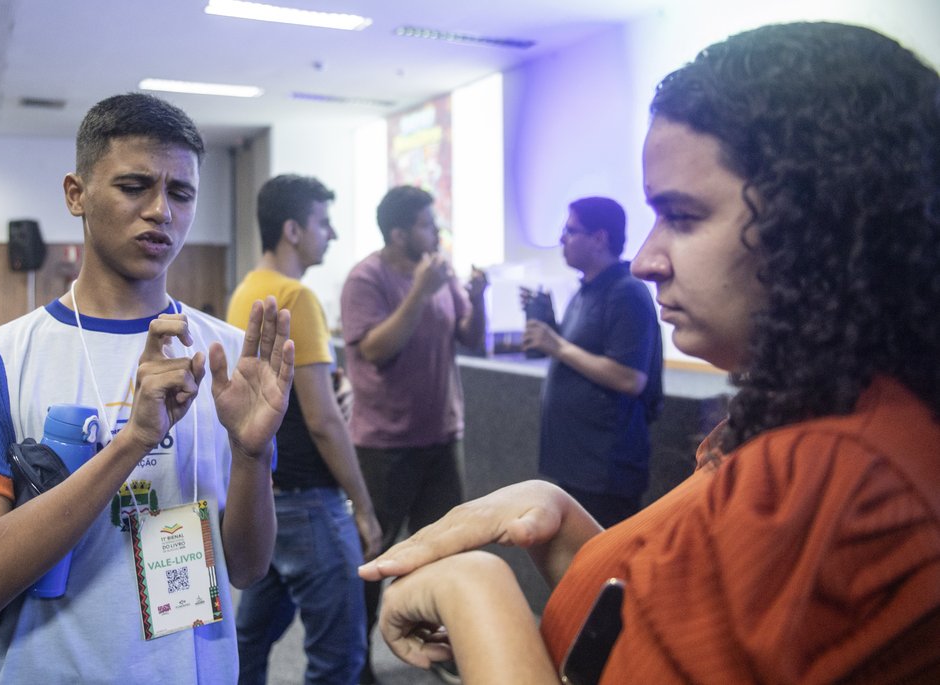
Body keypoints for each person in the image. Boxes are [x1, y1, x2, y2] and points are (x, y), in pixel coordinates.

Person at [356, 22, 940, 683]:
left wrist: (473, 592)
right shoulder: (811, 421)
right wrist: (559, 519)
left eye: (684, 217)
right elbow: (659, 601)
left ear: (818, 225)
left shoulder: (843, 476)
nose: (647, 258)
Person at [0, 93, 295, 684]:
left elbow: (248, 568)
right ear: (76, 193)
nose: (161, 211)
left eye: (181, 193)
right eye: (135, 186)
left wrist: (253, 455)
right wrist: (133, 440)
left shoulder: (227, 358)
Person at [226, 174, 382, 684]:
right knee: (338, 659)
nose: (331, 234)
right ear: (293, 229)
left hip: (267, 496)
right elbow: (322, 419)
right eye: (323, 222)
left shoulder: (247, 289)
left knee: (247, 642)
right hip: (312, 503)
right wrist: (364, 506)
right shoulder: (296, 296)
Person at [339, 185, 487, 684]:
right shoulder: (367, 278)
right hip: (385, 445)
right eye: (428, 224)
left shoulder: (438, 272)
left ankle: (437, 651)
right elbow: (376, 349)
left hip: (442, 438)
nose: (436, 233)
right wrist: (421, 292)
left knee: (444, 552)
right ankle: (353, 660)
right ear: (399, 233)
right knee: (373, 559)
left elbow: (472, 337)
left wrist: (479, 296)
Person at [521, 197, 662, 526]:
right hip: (577, 461)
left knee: (605, 568)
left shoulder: (627, 292)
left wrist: (556, 345)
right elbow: (580, 353)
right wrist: (550, 327)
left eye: (571, 231)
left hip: (604, 468)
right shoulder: (586, 290)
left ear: (600, 238)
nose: (562, 239)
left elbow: (629, 378)